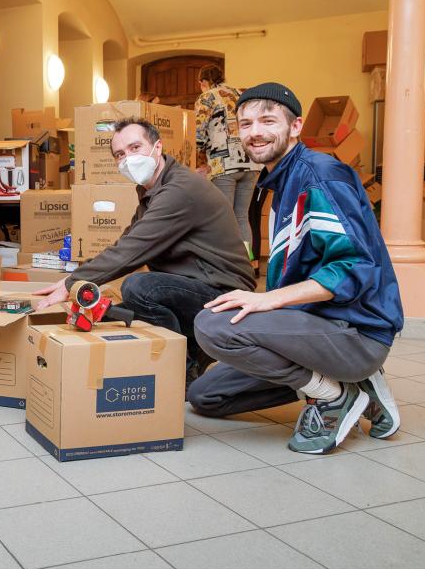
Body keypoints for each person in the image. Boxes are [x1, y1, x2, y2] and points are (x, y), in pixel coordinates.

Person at [190, 83, 403, 455]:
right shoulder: (278, 179)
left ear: (295, 126)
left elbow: (355, 267)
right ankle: (354, 387)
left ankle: (334, 396)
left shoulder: (318, 176)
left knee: (213, 326)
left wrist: (268, 300)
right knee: (207, 396)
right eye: (245, 123)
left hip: (356, 331)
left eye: (267, 120)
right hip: (316, 326)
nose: (254, 132)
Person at [34, 117, 255, 389]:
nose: (128, 158)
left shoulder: (179, 190)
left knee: (139, 287)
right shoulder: (152, 191)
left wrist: (72, 283)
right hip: (198, 285)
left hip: (225, 295)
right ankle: (188, 350)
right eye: (119, 154)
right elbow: (127, 241)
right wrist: (74, 278)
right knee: (113, 313)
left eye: (135, 147)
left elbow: (132, 250)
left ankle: (181, 368)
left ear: (157, 147)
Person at [195, 65, 263, 276]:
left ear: (204, 81)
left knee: (222, 219)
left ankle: (226, 270)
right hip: (250, 163)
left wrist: (197, 153)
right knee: (242, 217)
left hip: (223, 163)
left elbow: (198, 133)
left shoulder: (207, 97)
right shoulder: (242, 94)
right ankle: (245, 268)